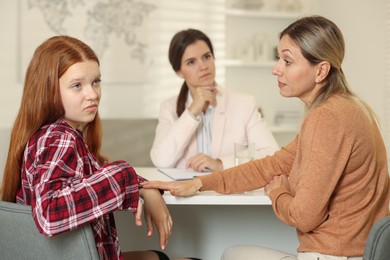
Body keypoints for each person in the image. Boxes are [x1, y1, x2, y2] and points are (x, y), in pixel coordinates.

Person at [142, 16, 390, 260]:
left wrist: (277, 192)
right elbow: (271, 165)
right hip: (355, 251)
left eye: (287, 61)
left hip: (332, 255)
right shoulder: (349, 108)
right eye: (278, 58)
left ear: (321, 71)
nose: (276, 69)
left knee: (231, 253)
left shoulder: (326, 118)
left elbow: (304, 216)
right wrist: (200, 183)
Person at [0, 35, 174, 260]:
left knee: (157, 256)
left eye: (96, 82)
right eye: (77, 85)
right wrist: (124, 176)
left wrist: (142, 186)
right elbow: (50, 214)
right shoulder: (59, 138)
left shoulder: (53, 135)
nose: (92, 94)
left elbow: (96, 174)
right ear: (48, 89)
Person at [150, 28, 279, 172]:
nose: (204, 66)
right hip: (185, 192)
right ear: (179, 72)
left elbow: (271, 152)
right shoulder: (169, 108)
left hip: (228, 192)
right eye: (191, 62)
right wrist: (192, 112)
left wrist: (220, 164)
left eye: (206, 57)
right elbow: (161, 161)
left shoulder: (244, 103)